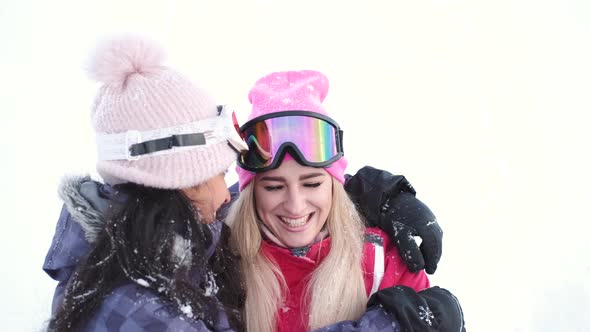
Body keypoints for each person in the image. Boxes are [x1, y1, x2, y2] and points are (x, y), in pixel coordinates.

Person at [225, 70, 465, 332]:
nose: (295, 205)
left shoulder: (382, 262)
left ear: (334, 186)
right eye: (273, 187)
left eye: (312, 183)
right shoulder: (220, 263)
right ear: (251, 192)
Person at [45, 36, 246, 331]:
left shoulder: (125, 264)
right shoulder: (140, 313)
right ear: (187, 183)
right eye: (222, 173)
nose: (226, 195)